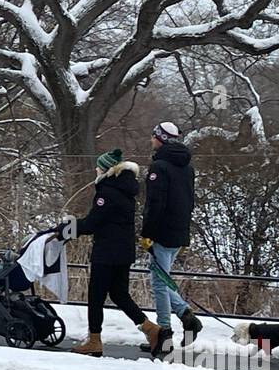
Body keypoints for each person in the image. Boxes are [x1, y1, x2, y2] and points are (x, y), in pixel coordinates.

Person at [59, 148, 148, 357]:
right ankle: (151, 329)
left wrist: (66, 229)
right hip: (124, 251)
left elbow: (93, 223)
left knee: (96, 296)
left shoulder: (107, 192)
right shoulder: (126, 189)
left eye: (98, 167)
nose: (96, 170)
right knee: (119, 294)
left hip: (107, 251)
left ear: (107, 170)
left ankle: (94, 340)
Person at [139, 121, 200, 354]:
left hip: (162, 232)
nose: (151, 140)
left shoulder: (160, 167)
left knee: (159, 284)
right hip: (179, 231)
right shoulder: (188, 167)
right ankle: (187, 317)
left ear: (161, 139)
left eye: (154, 136)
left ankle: (164, 335)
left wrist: (147, 233)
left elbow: (155, 204)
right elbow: (190, 202)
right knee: (162, 279)